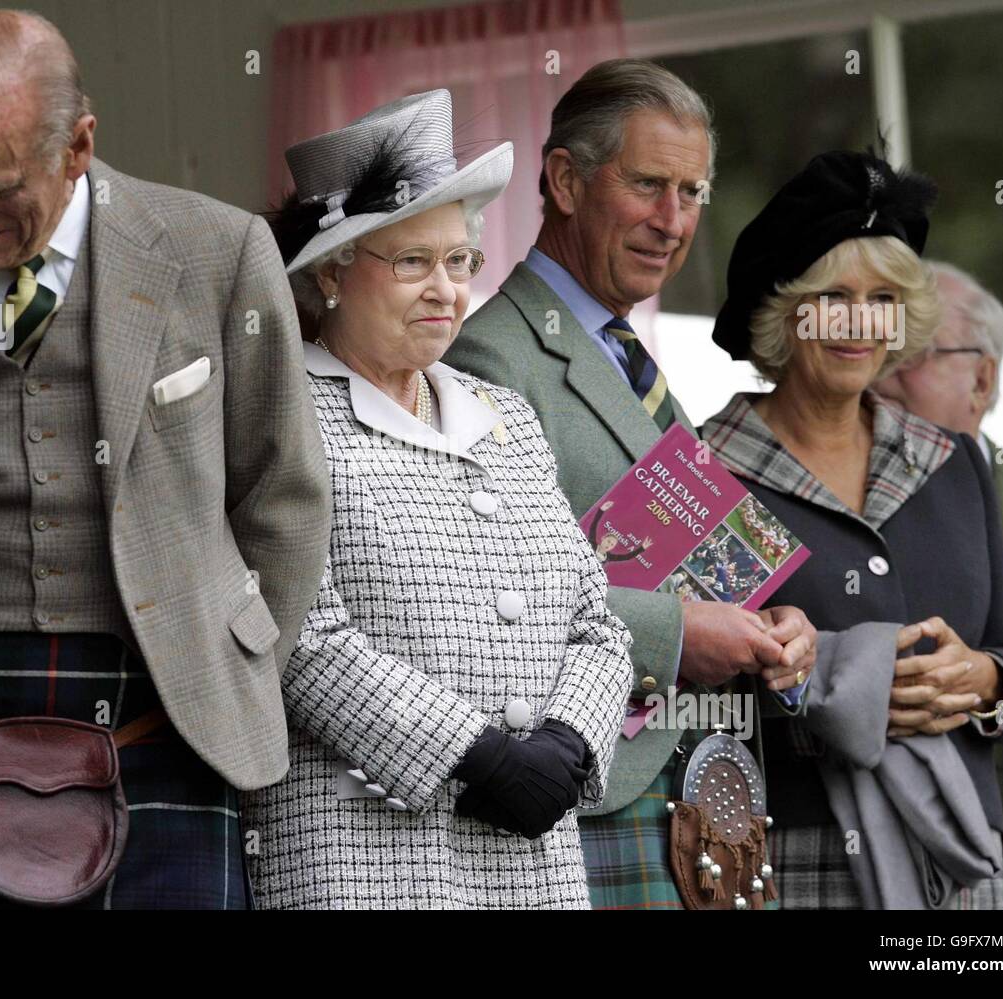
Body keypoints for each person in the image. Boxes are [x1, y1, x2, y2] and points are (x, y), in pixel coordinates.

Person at [0, 10, 331, 908]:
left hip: (164, 717)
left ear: (79, 146)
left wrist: (221, 672)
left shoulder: (218, 252)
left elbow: (286, 498)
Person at [245, 89, 634, 909]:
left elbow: (595, 622)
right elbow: (298, 633)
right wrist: (473, 754)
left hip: (533, 863)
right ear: (331, 273)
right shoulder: (279, 415)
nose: (446, 290)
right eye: (413, 262)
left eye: (459, 261)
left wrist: (569, 738)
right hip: (360, 854)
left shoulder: (507, 417)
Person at [443, 58, 816, 908]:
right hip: (597, 800)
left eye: (693, 193)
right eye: (649, 184)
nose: (673, 220)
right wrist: (679, 633)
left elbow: (702, 556)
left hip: (701, 791)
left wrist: (773, 628)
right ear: (565, 181)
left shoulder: (631, 356)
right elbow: (493, 598)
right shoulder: (486, 358)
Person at [701, 150, 1003, 908]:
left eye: (883, 298)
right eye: (834, 296)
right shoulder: (703, 476)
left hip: (960, 861)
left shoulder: (951, 462)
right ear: (782, 311)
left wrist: (982, 683)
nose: (860, 322)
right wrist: (845, 690)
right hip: (786, 861)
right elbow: (678, 697)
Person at [876, 261, 1003, 908]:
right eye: (876, 346)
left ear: (983, 377)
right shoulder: (839, 501)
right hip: (901, 836)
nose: (880, 370)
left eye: (912, 352)